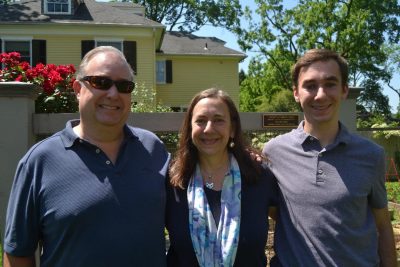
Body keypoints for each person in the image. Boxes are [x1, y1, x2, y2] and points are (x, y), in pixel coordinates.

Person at [3, 46, 170, 266]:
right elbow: (18, 253)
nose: (113, 93)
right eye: (101, 82)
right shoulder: (39, 161)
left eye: (124, 86)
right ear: (77, 89)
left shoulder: (153, 148)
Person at [263, 49, 397, 266]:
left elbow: (382, 225)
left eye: (330, 84)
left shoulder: (371, 155)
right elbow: (273, 210)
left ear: (344, 90)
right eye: (310, 85)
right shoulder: (274, 153)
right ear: (296, 93)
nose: (321, 94)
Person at [166, 88, 279, 266]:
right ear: (190, 129)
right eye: (200, 121)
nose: (209, 129)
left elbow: (290, 228)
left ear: (232, 129)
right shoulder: (173, 181)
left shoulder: (260, 177)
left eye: (218, 120)